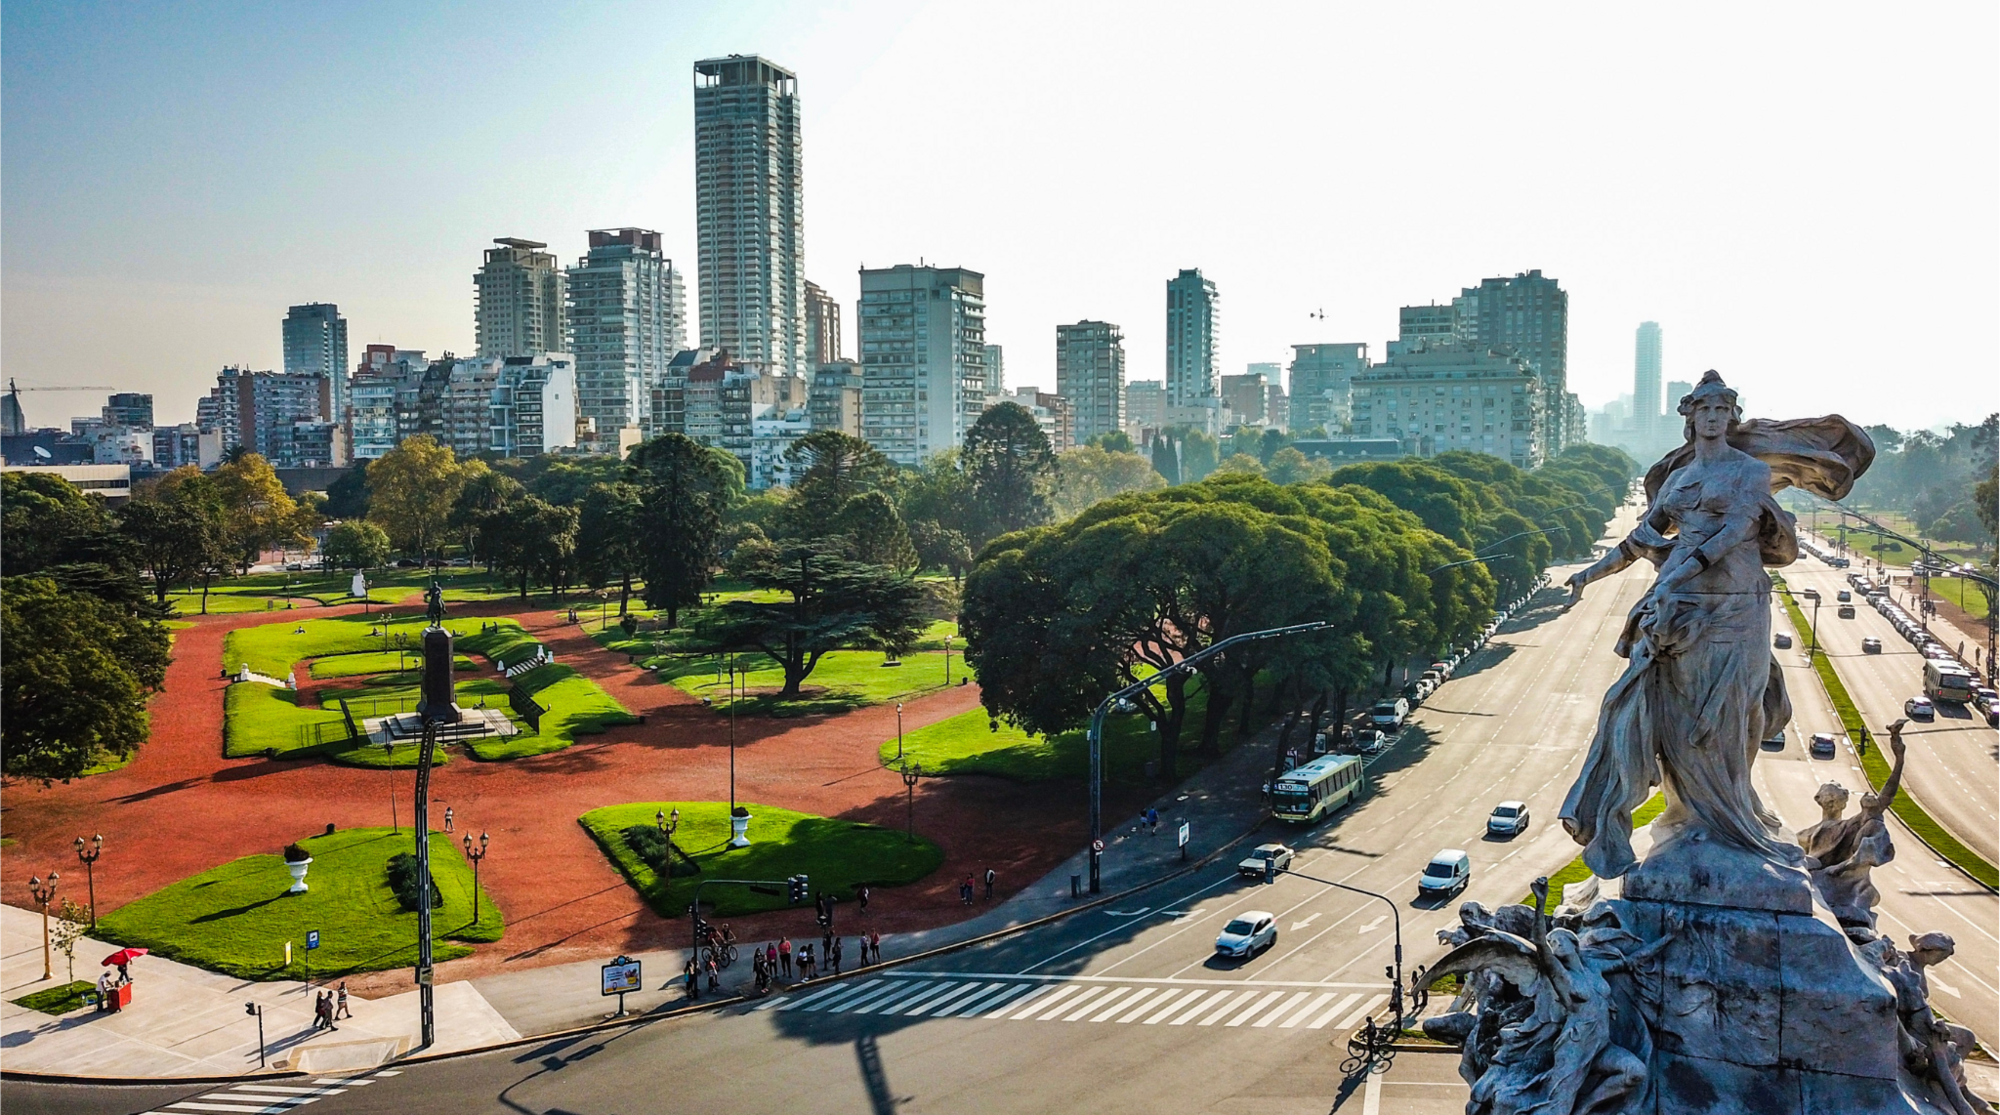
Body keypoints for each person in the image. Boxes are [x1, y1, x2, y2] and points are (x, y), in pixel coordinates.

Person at [1559, 372, 1872, 881]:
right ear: (1689, 419)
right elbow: (1640, 540)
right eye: (1703, 410)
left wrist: (1672, 576)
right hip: (1683, 610)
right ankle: (1689, 819)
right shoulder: (1679, 481)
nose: (1712, 418)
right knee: (1676, 719)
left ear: (1732, 418)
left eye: (1721, 410)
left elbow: (1730, 533)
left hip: (1736, 605)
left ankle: (1735, 815)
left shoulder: (1749, 471)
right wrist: (1589, 574)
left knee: (1738, 713)